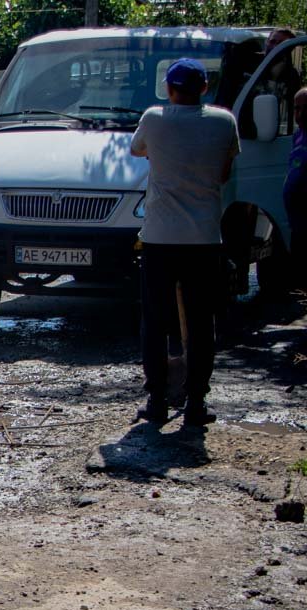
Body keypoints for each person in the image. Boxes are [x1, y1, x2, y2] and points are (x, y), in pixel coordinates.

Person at [130, 58, 240, 427]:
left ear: (169, 89)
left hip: (160, 238)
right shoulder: (224, 122)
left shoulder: (154, 119)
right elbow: (223, 173)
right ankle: (195, 403)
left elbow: (138, 150)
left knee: (155, 321)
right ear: (205, 88)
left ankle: (157, 400)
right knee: (201, 321)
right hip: (204, 239)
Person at [287, 88, 307, 270]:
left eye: (305, 109)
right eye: (297, 109)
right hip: (297, 224)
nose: (300, 114)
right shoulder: (298, 136)